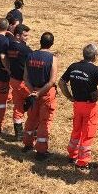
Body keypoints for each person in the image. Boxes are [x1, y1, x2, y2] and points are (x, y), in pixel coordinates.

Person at [59, 43, 98, 170]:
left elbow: (61, 82)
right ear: (95, 56)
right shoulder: (97, 70)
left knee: (76, 130)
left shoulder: (73, 67)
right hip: (90, 106)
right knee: (88, 133)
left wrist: (69, 96)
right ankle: (83, 162)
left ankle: (72, 155)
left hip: (77, 104)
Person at [23, 32, 58, 160]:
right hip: (46, 94)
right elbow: (52, 81)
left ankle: (27, 144)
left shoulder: (30, 55)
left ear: (40, 41)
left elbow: (25, 78)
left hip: (32, 92)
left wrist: (33, 92)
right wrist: (39, 93)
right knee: (44, 122)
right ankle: (41, 151)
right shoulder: (52, 58)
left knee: (31, 119)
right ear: (52, 44)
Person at [7, 24, 32, 140]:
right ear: (18, 35)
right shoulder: (25, 49)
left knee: (18, 106)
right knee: (34, 103)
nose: (27, 37)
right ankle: (32, 131)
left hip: (13, 80)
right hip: (23, 82)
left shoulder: (9, 45)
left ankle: (18, 134)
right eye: (25, 35)